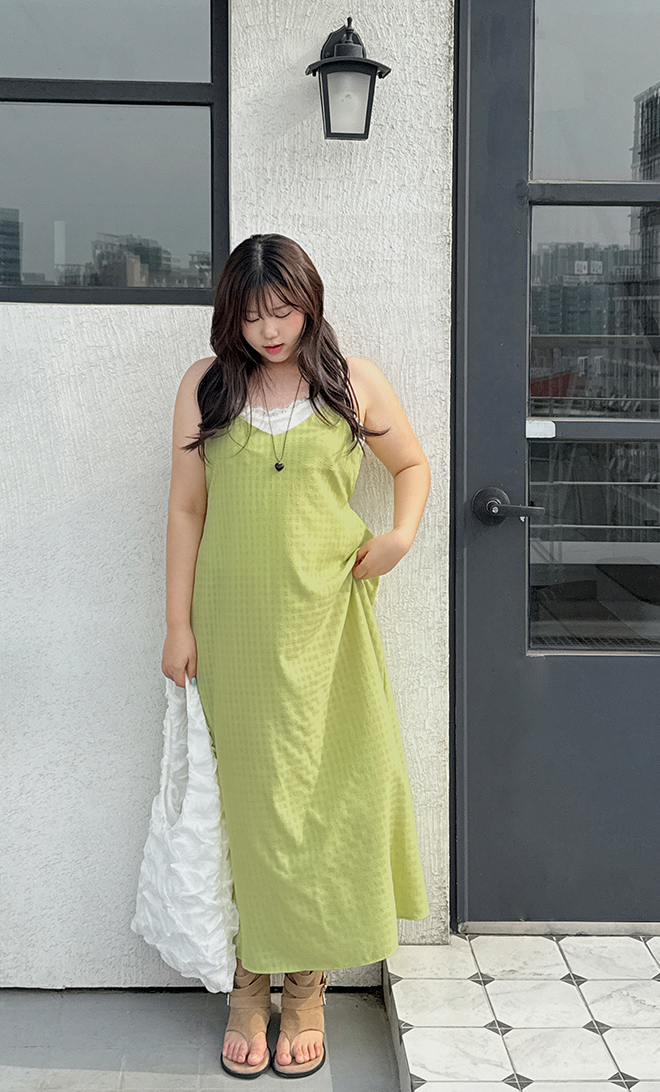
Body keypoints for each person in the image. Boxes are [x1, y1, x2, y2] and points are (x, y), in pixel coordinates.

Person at [161, 233, 431, 1079]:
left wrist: (398, 537)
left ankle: (306, 983)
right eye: (251, 316)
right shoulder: (206, 386)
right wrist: (176, 625)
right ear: (229, 317)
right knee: (246, 803)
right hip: (232, 628)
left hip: (328, 624)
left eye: (282, 311)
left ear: (310, 304)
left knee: (318, 797)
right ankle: (250, 982)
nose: (270, 331)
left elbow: (411, 464)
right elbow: (187, 510)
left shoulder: (352, 380)